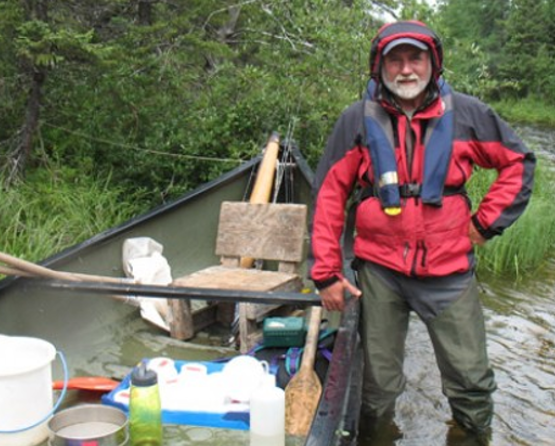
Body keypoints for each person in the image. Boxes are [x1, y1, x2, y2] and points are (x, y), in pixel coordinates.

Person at [309, 20, 535, 440]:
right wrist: (326, 272)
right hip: (379, 273)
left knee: (471, 384)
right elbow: (328, 197)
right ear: (380, 67)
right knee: (376, 390)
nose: (406, 69)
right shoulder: (355, 120)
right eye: (395, 60)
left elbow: (519, 164)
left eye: (416, 58)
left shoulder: (467, 114)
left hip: (449, 273)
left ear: (434, 63)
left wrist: (485, 224)